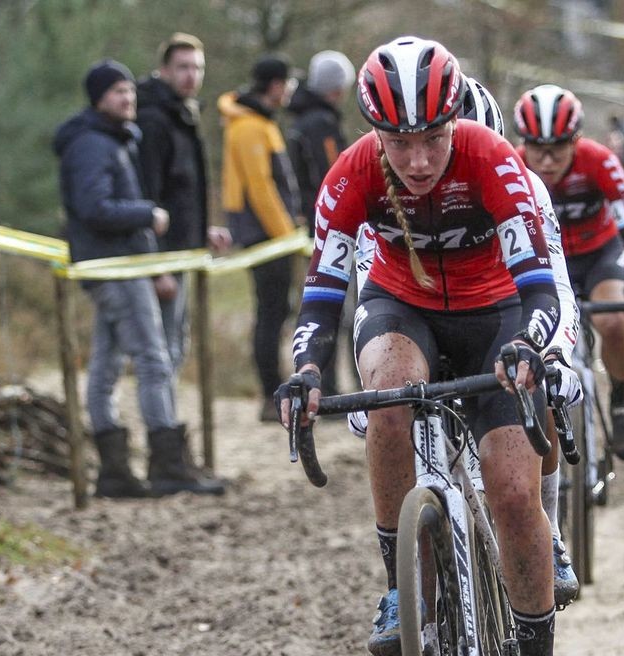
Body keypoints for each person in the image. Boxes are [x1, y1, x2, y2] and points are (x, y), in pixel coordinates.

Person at [278, 37, 579, 656]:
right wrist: (307, 369)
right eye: (399, 142)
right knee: (386, 397)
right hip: (403, 307)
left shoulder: (492, 160)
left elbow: (541, 286)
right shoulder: (350, 175)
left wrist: (533, 348)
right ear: (374, 132)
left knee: (511, 489)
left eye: (433, 139)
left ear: (456, 122)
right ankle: (398, 587)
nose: (416, 160)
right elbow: (321, 295)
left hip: (497, 311)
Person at [346, 74, 585, 609]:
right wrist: (369, 391)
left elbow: (557, 288)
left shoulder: (522, 185)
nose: (434, 173)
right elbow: (368, 298)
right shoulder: (387, 190)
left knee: (535, 386)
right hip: (420, 323)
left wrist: (555, 356)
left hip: (503, 314)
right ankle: (411, 598)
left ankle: (548, 531)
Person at [54, 60, 223, 498]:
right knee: (152, 359)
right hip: (114, 269)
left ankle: (115, 472)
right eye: (117, 93)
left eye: (129, 91)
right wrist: (148, 214)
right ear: (98, 99)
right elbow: (95, 209)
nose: (127, 99)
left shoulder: (113, 139)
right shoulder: (93, 145)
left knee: (108, 364)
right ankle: (166, 463)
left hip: (123, 267)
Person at [514, 83, 624, 461]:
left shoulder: (600, 160)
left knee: (612, 323)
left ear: (575, 139)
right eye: (536, 147)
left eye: (557, 147)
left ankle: (621, 398)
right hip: (547, 264)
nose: (545, 159)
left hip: (599, 255)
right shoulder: (512, 164)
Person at [137, 32, 233, 379]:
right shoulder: (153, 119)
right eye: (182, 67)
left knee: (177, 341)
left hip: (182, 248)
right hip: (161, 256)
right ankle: (162, 426)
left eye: (197, 67)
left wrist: (201, 229)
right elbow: (149, 194)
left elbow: (183, 190)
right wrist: (155, 266)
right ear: (164, 70)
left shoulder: (184, 115)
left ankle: (167, 419)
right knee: (162, 346)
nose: (191, 75)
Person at [219, 55, 301, 419]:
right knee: (270, 314)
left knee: (276, 310)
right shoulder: (249, 126)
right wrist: (287, 236)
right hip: (266, 237)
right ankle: (271, 395)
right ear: (275, 85)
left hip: (271, 236)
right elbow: (261, 189)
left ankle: (273, 391)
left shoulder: (260, 122)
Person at [286, 49, 356, 396]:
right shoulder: (323, 124)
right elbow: (337, 177)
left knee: (326, 306)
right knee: (339, 308)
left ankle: (328, 383)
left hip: (314, 225)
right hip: (331, 229)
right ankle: (333, 385)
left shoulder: (300, 119)